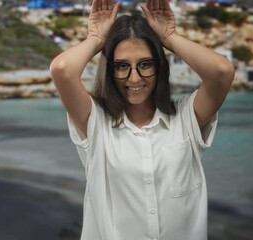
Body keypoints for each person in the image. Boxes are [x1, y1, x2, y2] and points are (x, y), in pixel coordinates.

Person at [49, 0, 235, 239]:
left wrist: (169, 37)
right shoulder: (95, 124)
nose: (134, 78)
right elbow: (62, 69)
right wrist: (96, 39)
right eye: (121, 66)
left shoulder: (186, 119)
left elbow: (222, 72)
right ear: (109, 69)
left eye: (145, 64)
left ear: (159, 66)